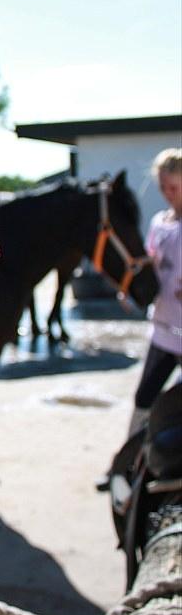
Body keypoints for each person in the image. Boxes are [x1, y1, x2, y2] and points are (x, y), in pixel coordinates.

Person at [128, 147, 182, 435]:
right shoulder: (160, 223)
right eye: (162, 187)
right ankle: (124, 467)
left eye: (173, 187)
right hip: (163, 329)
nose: (166, 193)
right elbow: (151, 266)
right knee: (143, 399)